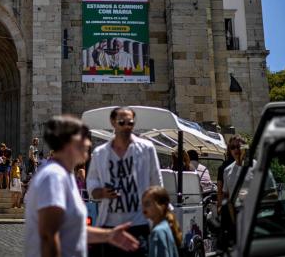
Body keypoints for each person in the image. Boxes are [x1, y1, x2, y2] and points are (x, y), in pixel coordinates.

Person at [24, 115, 140, 257]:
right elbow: (49, 235)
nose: (88, 143)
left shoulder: (65, 175)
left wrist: (109, 235)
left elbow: (72, 231)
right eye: (84, 137)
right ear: (69, 141)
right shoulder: (53, 177)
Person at [87, 106, 163, 257]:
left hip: (139, 223)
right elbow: (92, 186)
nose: (127, 127)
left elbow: (156, 183)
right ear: (113, 123)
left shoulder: (146, 149)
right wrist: (102, 192)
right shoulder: (100, 153)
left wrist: (159, 217)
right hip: (109, 225)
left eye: (131, 123)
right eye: (122, 123)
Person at [142, 186, 182, 257]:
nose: (144, 209)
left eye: (147, 204)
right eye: (143, 204)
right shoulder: (166, 226)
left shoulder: (158, 232)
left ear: (162, 206)